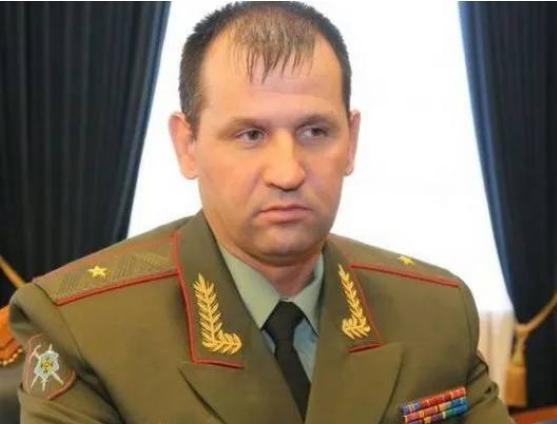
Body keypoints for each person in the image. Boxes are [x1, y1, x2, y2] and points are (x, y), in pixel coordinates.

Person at [9, 2, 511, 423]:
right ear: (187, 145)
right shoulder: (83, 327)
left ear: (352, 140)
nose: (287, 172)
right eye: (250, 135)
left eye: (315, 131)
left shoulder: (436, 312)